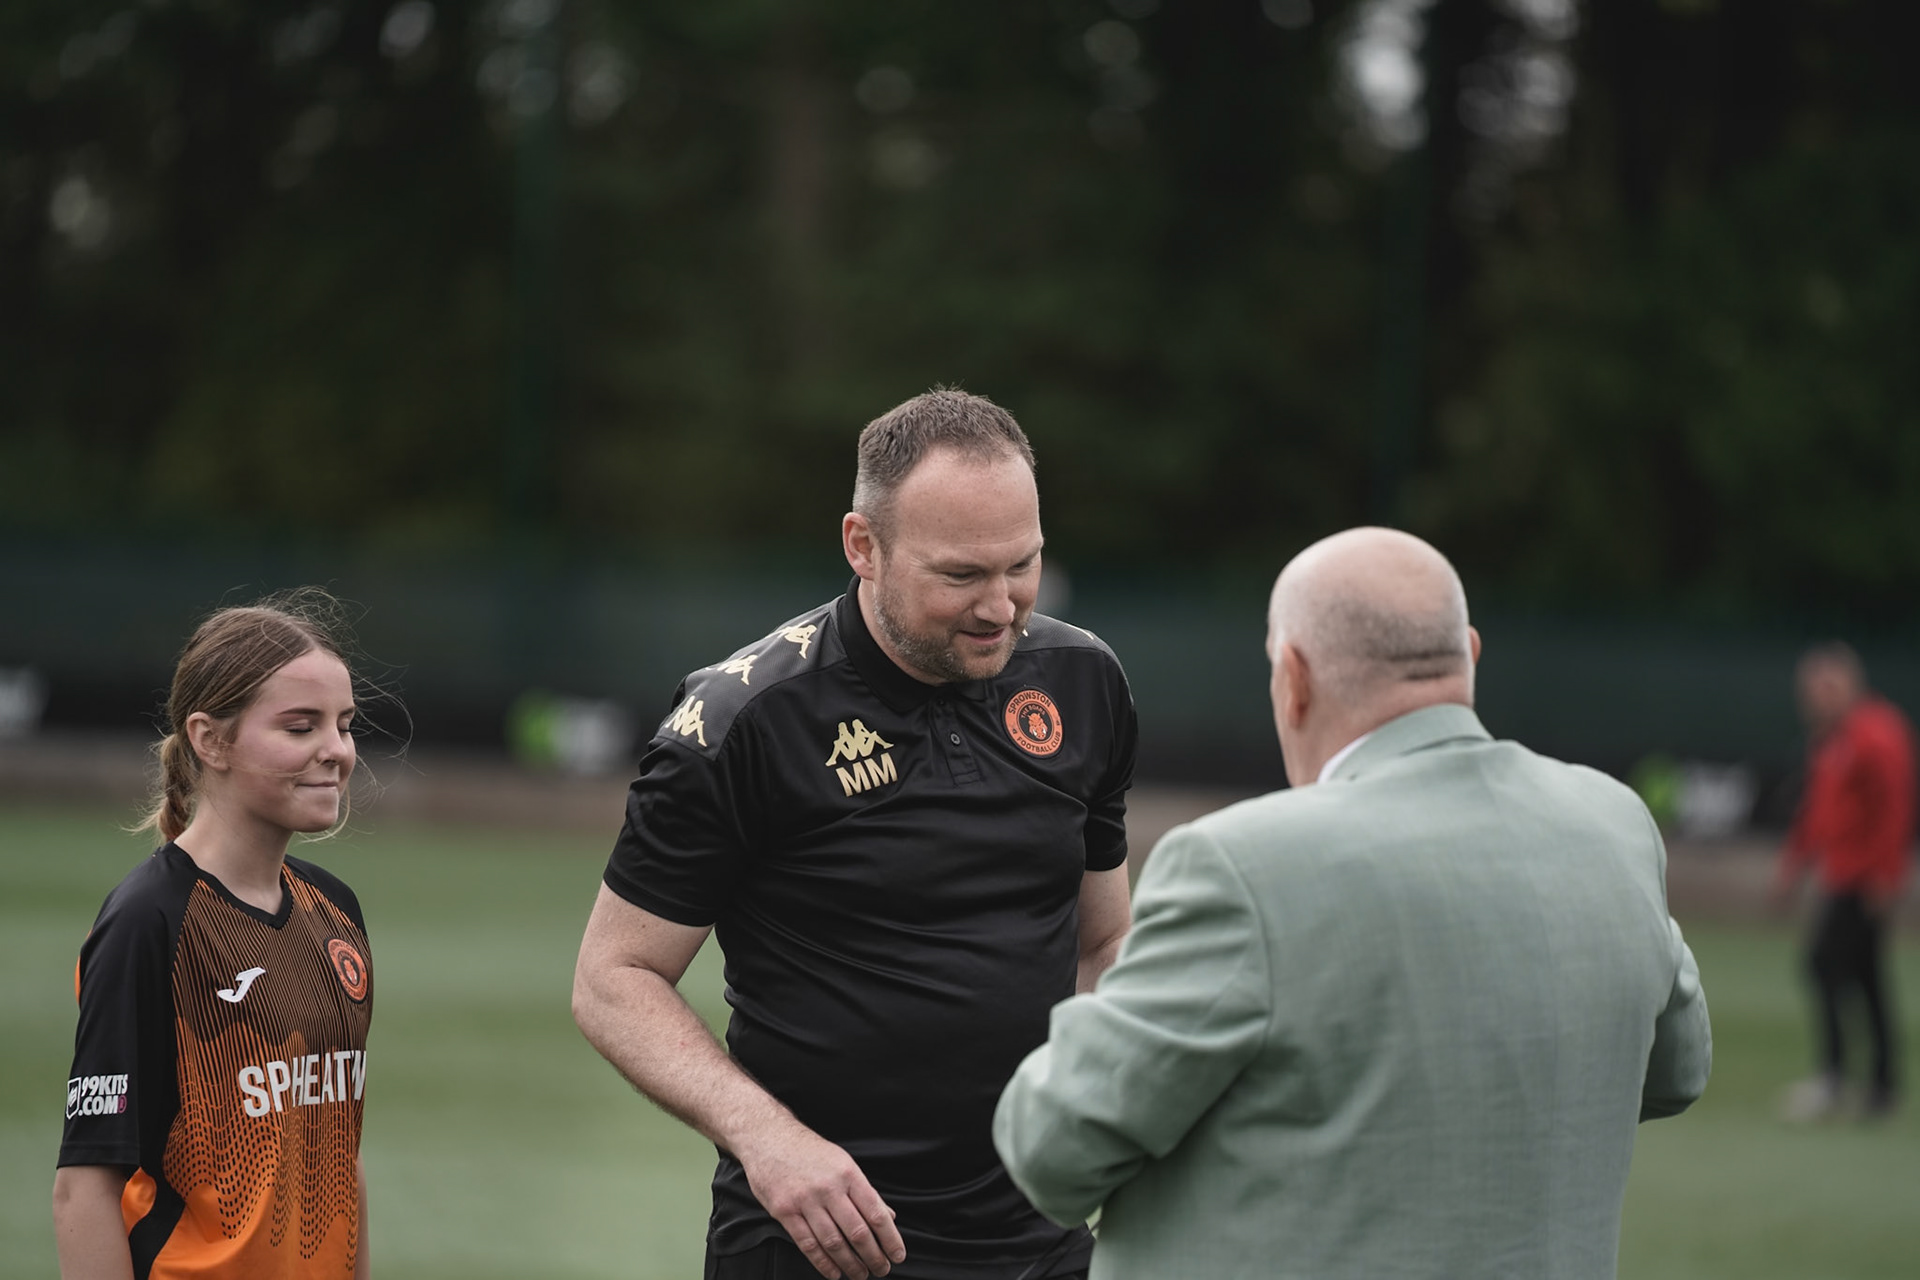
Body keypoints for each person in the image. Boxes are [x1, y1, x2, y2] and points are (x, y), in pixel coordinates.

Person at [993, 527, 1713, 1280]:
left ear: (1294, 677)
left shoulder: (1243, 865)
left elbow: (1051, 1149)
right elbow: (1677, 1073)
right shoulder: (1613, 823)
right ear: (1469, 654)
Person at [573, 389, 1137, 1280]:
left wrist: (1112, 1110)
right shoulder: (742, 721)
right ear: (863, 546)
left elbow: (1105, 943)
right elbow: (613, 978)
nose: (1001, 607)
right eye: (961, 575)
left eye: (1022, 564)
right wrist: (768, 1139)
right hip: (825, 1244)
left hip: (1043, 1238)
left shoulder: (1083, 681)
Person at [53, 591, 375, 1280]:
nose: (336, 751)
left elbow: (340, 1157)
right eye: (301, 727)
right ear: (209, 739)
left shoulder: (336, 912)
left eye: (344, 725)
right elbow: (84, 1188)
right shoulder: (149, 921)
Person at [1773, 642, 1915, 1121]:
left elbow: (1894, 810)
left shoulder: (1877, 734)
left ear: (1850, 686)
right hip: (1841, 874)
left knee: (1824, 964)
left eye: (1825, 688)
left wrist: (1886, 875)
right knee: (1867, 977)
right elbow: (1817, 812)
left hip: (1863, 879)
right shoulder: (1830, 740)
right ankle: (1881, 1086)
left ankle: (1835, 1078)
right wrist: (1794, 868)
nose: (1815, 699)